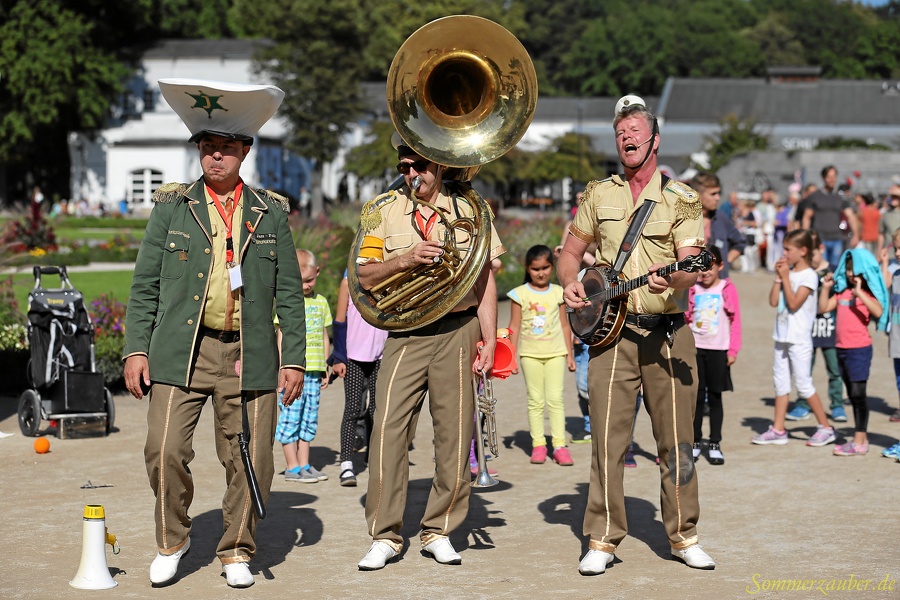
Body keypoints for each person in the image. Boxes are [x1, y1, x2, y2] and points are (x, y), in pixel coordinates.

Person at [122, 79, 306, 588]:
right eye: (207, 149)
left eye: (225, 148)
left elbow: (290, 292)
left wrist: (294, 358)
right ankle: (172, 540)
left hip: (249, 354)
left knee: (250, 458)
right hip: (183, 349)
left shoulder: (271, 213)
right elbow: (145, 286)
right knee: (163, 449)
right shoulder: (172, 207)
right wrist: (136, 349)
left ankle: (237, 549)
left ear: (244, 151)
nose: (215, 158)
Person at [558, 94, 715, 575]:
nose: (626, 139)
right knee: (607, 440)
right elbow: (570, 252)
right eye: (620, 133)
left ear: (654, 141)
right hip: (611, 335)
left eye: (635, 133)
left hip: (666, 332)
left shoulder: (682, 199)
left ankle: (684, 535)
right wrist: (568, 282)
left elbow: (691, 263)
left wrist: (678, 278)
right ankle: (603, 539)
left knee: (677, 442)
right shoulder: (598, 195)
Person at [353, 135, 503, 571]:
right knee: (387, 429)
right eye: (404, 166)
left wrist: (489, 338)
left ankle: (439, 529)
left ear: (438, 166)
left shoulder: (472, 209)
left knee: (455, 434)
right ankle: (384, 534)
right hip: (406, 331)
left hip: (459, 328)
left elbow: (485, 280)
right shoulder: (382, 210)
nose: (411, 174)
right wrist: (405, 261)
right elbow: (364, 274)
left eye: (419, 165)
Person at [752, 230, 836, 448]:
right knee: (780, 383)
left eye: (789, 249)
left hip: (799, 338)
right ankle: (778, 429)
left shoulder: (808, 275)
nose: (785, 253)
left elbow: (794, 303)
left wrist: (786, 278)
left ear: (803, 251)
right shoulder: (787, 272)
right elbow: (773, 301)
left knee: (804, 384)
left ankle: (826, 428)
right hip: (781, 335)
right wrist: (778, 277)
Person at [507, 244, 576, 466]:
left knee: (555, 399)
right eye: (536, 268)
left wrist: (570, 354)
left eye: (546, 267)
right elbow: (514, 327)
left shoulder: (559, 293)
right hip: (529, 354)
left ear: (552, 267)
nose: (541, 273)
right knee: (535, 400)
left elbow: (565, 326)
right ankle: (538, 444)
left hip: (556, 353)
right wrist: (511, 356)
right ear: (528, 268)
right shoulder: (520, 294)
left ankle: (559, 446)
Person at [819, 248, 885, 456]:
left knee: (858, 394)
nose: (849, 273)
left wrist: (859, 295)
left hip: (859, 350)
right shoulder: (841, 293)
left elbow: (878, 311)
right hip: (841, 348)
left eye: (853, 269)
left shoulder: (866, 295)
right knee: (852, 393)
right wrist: (826, 288)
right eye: (847, 269)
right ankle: (861, 439)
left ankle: (858, 441)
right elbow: (823, 308)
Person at [276, 249, 332, 483]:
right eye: (301, 282)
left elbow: (325, 335)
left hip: (314, 371)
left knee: (309, 418)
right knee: (290, 416)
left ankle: (305, 464)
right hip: (292, 371)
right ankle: (292, 466)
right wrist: (281, 366)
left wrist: (325, 366)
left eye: (310, 280)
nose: (306, 285)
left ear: (317, 272)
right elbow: (281, 334)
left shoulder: (321, 303)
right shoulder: (289, 303)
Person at [329, 269, 388, 486]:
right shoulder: (348, 283)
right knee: (353, 408)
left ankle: (373, 457)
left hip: (380, 356)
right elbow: (339, 322)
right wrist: (339, 358)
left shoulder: (388, 282)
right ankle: (345, 462)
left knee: (376, 411)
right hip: (353, 357)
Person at [685, 245, 742, 466]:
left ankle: (715, 442)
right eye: (701, 267)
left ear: (720, 266)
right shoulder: (692, 288)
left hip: (719, 350)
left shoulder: (727, 289)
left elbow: (736, 321)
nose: (705, 272)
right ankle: (696, 441)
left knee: (716, 397)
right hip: (696, 349)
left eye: (710, 267)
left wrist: (733, 350)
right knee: (697, 398)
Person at [785, 230, 846, 423]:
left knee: (835, 371)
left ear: (820, 249)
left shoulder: (835, 272)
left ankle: (837, 405)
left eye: (812, 253)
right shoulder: (801, 273)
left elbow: (840, 300)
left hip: (830, 330)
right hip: (807, 332)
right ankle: (803, 404)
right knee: (804, 370)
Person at [556, 190, 596, 443]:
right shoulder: (573, 225)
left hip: (598, 293)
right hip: (577, 293)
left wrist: (589, 259)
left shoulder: (600, 224)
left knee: (592, 378)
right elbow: (567, 254)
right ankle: (588, 421)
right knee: (582, 381)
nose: (581, 202)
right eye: (579, 199)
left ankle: (595, 422)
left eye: (585, 199)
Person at [690, 171, 745, 278]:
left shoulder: (721, 218)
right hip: (691, 287)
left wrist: (724, 261)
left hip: (718, 284)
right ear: (697, 194)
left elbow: (740, 243)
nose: (718, 198)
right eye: (713, 194)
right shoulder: (683, 219)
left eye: (718, 193)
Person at [802, 166, 859, 267]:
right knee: (821, 267)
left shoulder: (840, 197)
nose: (831, 179)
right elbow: (807, 217)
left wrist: (856, 234)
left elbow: (851, 216)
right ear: (824, 178)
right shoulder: (815, 196)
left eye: (833, 176)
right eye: (828, 177)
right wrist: (806, 236)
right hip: (820, 239)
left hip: (836, 238)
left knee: (835, 268)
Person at [880, 233, 900, 458]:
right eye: (896, 248)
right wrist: (885, 262)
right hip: (897, 344)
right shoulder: (896, 275)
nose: (897, 253)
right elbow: (883, 282)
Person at [877, 184, 900, 258]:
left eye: (896, 197)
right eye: (892, 196)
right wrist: (879, 252)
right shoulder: (885, 214)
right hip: (889, 255)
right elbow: (881, 235)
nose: (893, 198)